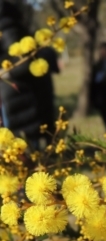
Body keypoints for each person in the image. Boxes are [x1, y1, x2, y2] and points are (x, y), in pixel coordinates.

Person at [0, 0, 59, 149]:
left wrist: (5, 72)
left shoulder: (6, 27)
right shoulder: (13, 25)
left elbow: (22, 59)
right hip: (18, 98)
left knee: (24, 148)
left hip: (18, 97)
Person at [90, 42, 106, 128]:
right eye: (102, 51)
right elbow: (93, 83)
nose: (104, 53)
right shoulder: (97, 65)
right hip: (102, 97)